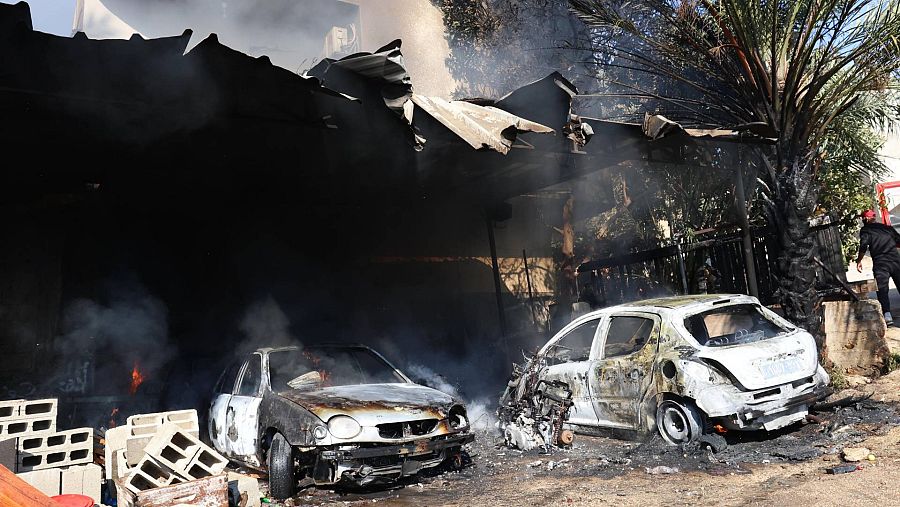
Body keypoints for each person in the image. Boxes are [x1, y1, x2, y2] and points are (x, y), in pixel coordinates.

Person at [856, 209, 900, 324]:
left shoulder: (865, 230)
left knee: (882, 289)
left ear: (865, 218)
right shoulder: (886, 228)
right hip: (895, 261)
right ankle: (887, 315)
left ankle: (887, 315)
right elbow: (898, 240)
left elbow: (863, 245)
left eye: (863, 218)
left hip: (881, 264)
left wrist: (859, 261)